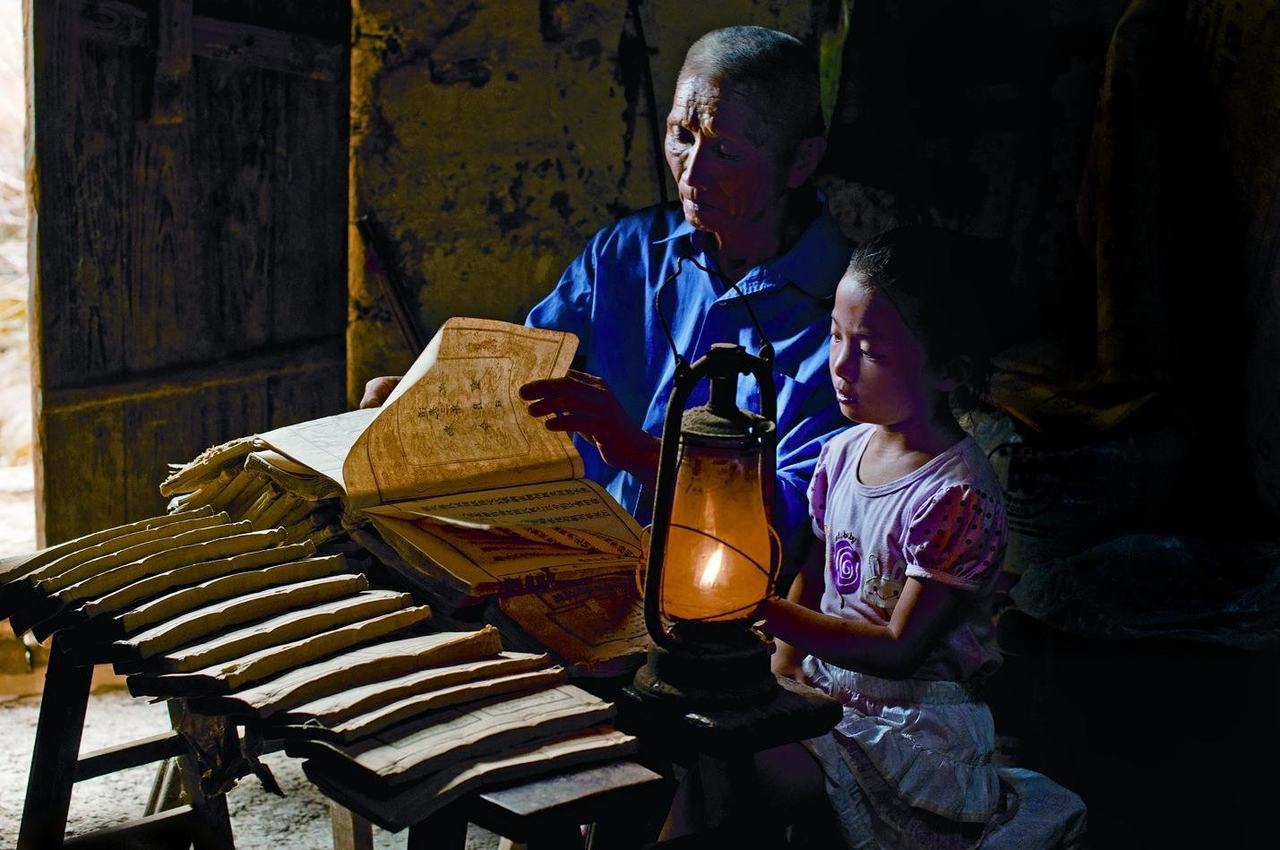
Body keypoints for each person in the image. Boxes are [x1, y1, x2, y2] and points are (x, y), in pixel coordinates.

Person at [363, 26, 852, 575]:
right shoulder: (626, 253)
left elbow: (798, 521)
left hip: (714, 599)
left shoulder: (847, 319)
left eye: (727, 151)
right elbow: (522, 379)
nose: (691, 174)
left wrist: (643, 456)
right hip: (570, 557)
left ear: (800, 160)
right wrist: (427, 396)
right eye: (682, 135)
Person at [755, 225, 1016, 848]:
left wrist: (767, 614)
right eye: (835, 337)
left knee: (740, 766)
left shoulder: (954, 494)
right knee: (704, 750)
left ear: (948, 370)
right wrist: (782, 670)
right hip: (827, 686)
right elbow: (816, 577)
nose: (839, 366)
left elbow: (901, 647)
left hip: (909, 718)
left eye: (868, 349)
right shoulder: (842, 453)